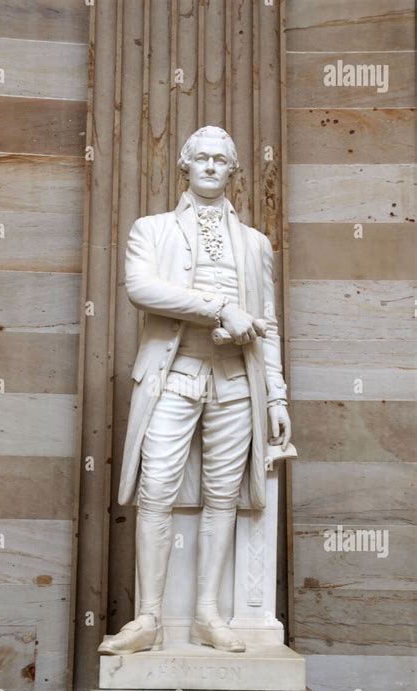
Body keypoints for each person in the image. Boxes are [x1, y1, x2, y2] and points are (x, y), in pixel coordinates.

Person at [99, 126, 291, 657]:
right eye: (200, 158)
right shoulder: (152, 229)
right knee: (156, 491)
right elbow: (142, 288)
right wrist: (218, 306)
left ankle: (208, 612)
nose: (209, 166)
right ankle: (149, 618)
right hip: (174, 377)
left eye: (220, 159)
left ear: (233, 171)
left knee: (223, 498)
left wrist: (276, 396)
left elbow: (267, 323)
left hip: (235, 383)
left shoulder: (255, 244)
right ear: (184, 165)